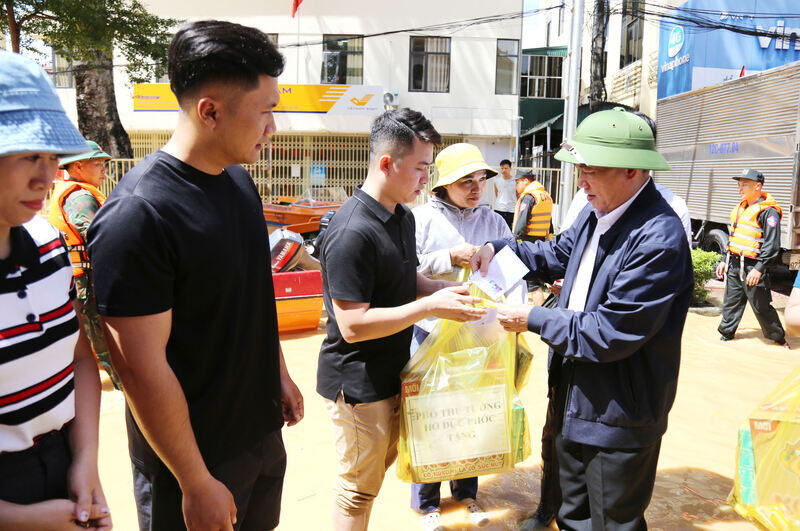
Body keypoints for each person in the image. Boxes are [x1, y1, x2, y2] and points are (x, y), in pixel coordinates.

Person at [87, 21, 303, 530]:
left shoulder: (238, 182)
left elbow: (252, 296)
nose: (273, 126)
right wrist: (194, 480)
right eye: (266, 110)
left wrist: (279, 372)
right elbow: (140, 368)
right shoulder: (138, 216)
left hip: (258, 438)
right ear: (210, 111)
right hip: (195, 463)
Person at [473, 108, 693, 530]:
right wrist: (499, 249)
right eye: (580, 168)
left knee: (612, 522)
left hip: (620, 413)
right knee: (573, 516)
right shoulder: (598, 214)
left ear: (633, 170)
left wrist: (532, 318)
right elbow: (555, 253)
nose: (581, 180)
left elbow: (611, 332)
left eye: (592, 169)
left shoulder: (658, 237)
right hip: (577, 396)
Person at [317, 108, 486, 531]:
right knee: (356, 488)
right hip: (358, 382)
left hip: (393, 371)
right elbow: (352, 325)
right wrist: (431, 307)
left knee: (372, 478)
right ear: (387, 163)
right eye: (421, 168)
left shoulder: (401, 217)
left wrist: (441, 291)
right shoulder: (351, 230)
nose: (426, 179)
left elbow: (403, 277)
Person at [0, 51, 111, 530]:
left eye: (51, 157)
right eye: (28, 155)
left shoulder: (47, 247)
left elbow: (80, 357)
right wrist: (24, 520)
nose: (45, 177)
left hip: (63, 462)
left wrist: (85, 461)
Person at [410, 142, 514, 530]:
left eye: (481, 179)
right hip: (430, 331)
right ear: (443, 184)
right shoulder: (420, 219)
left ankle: (467, 494)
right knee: (431, 414)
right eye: (464, 180)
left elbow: (511, 265)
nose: (476, 187)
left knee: (473, 413)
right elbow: (403, 269)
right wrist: (446, 259)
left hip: (479, 332)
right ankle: (426, 503)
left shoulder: (494, 222)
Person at [48, 141, 120, 389]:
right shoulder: (79, 196)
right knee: (102, 337)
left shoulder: (80, 191)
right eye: (98, 164)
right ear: (78, 166)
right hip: (86, 278)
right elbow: (97, 235)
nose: (103, 170)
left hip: (84, 275)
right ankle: (124, 386)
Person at [716, 169, 786, 345]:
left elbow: (772, 245)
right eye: (739, 185)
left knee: (761, 307)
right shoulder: (740, 208)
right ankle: (725, 337)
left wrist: (759, 269)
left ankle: (778, 340)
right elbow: (734, 238)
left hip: (753, 267)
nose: (740, 188)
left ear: (757, 186)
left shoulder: (769, 213)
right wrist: (725, 260)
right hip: (734, 264)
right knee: (730, 304)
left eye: (744, 184)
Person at [493, 158, 516, 229]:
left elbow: (518, 195)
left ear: (510, 168)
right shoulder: (497, 181)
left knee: (509, 229)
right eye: (502, 168)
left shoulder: (515, 181)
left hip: (511, 209)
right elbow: (497, 194)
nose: (503, 170)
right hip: (499, 208)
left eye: (506, 168)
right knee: (498, 229)